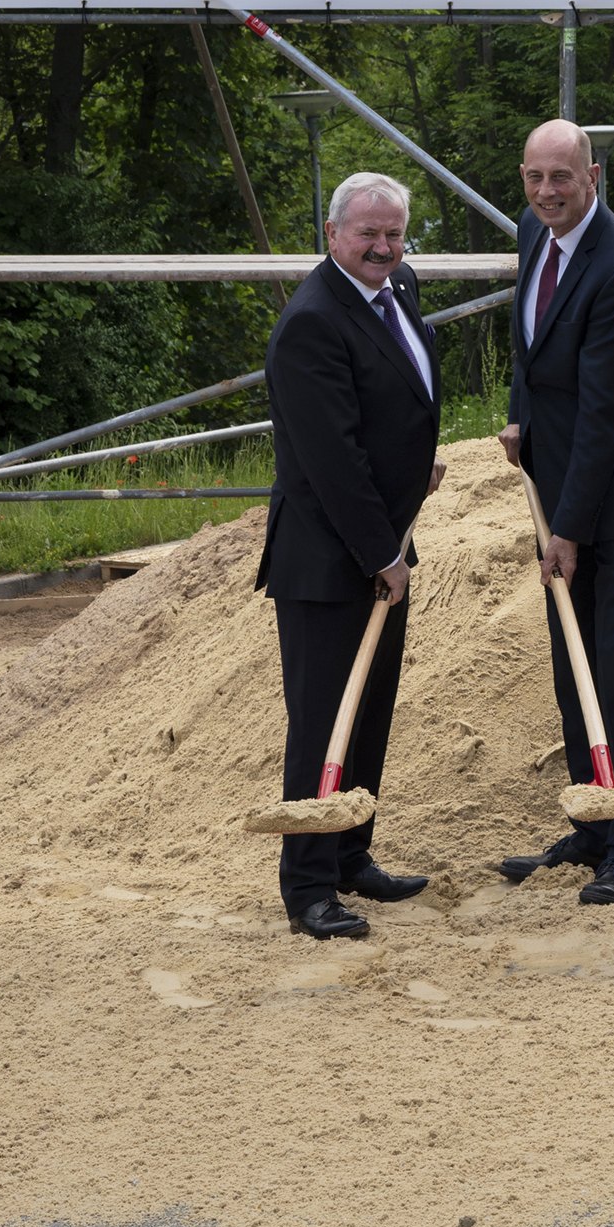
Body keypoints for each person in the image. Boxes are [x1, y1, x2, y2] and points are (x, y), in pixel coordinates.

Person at [498, 121, 614, 908]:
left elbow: (608, 413)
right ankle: (594, 820)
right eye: (535, 177)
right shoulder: (533, 234)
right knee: (571, 662)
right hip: (563, 475)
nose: (548, 192)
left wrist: (568, 529)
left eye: (562, 178)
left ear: (593, 174)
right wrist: (518, 419)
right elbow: (528, 350)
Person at [256, 172, 447, 941]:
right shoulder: (312, 320)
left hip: (384, 545)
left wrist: (412, 485)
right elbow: (329, 456)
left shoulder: (395, 294)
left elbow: (390, 411)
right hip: (330, 559)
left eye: (393, 232)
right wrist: (380, 552)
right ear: (331, 233)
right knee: (322, 726)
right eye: (367, 232)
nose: (381, 246)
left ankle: (349, 855)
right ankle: (306, 886)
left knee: (367, 717)